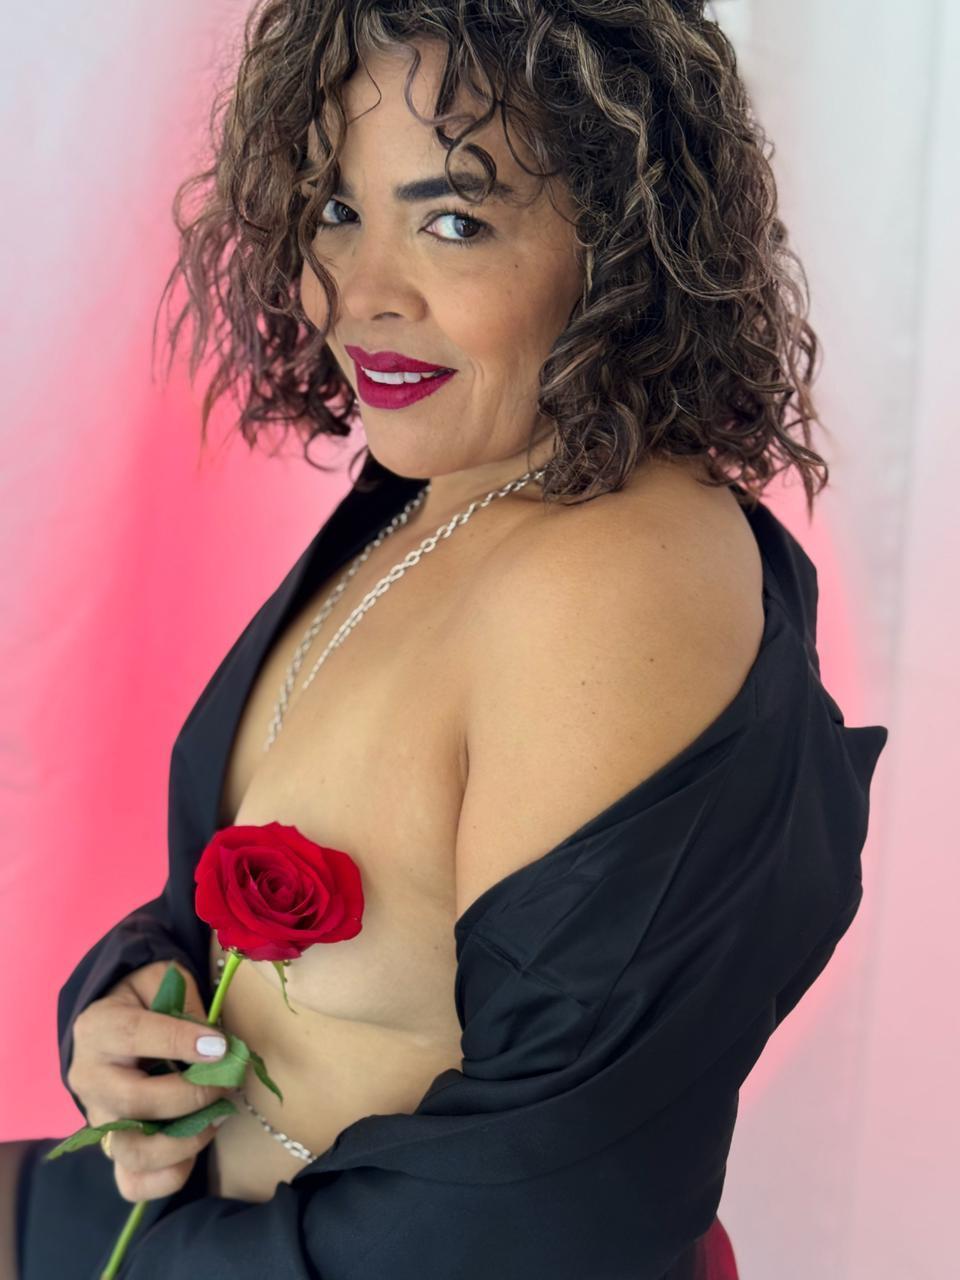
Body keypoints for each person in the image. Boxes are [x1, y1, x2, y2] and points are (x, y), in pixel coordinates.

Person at [8, 3, 888, 1277]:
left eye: (455, 221)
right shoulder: (443, 495)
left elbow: (545, 1213)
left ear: (621, 237)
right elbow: (320, 911)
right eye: (334, 209)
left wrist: (138, 1255)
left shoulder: (610, 577)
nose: (362, 294)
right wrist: (131, 1009)